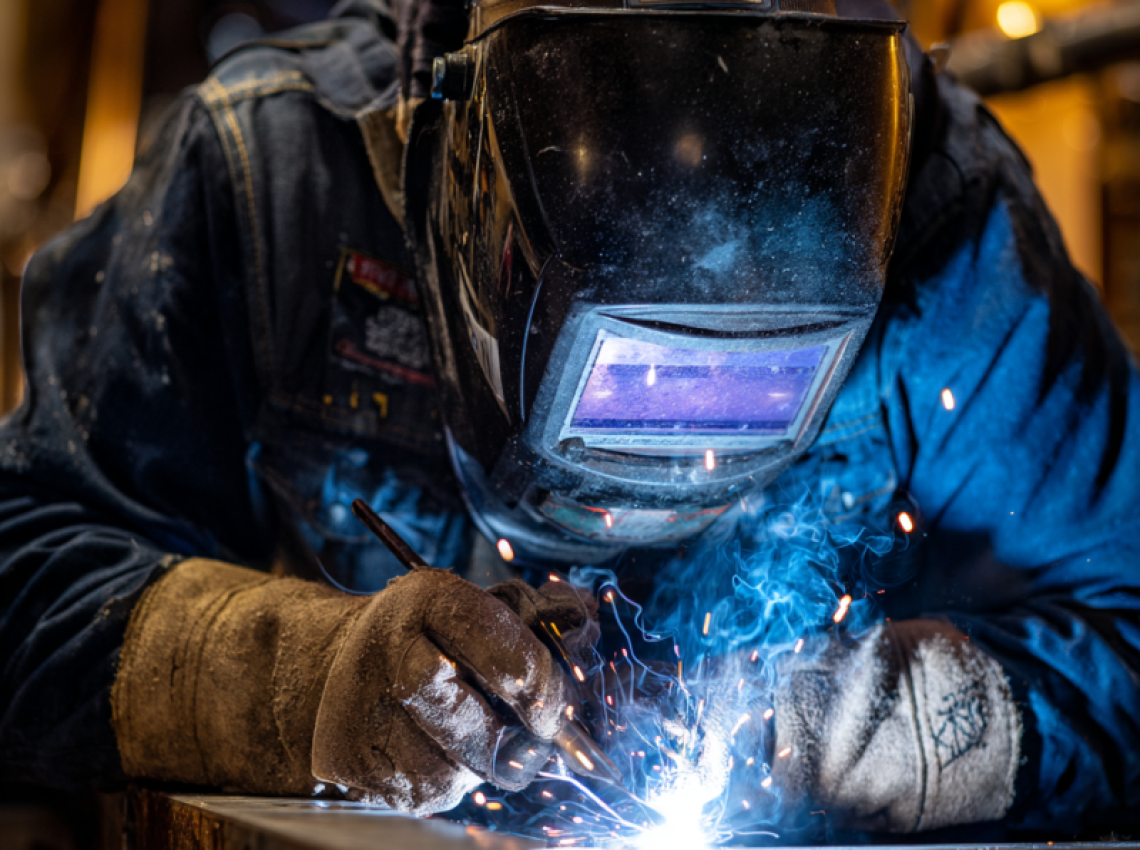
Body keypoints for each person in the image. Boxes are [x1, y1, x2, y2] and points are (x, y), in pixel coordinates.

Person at [0, 0, 1137, 836]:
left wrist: (871, 723)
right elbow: (24, 571)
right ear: (470, 201)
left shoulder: (948, 228)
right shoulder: (280, 178)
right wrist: (309, 672)